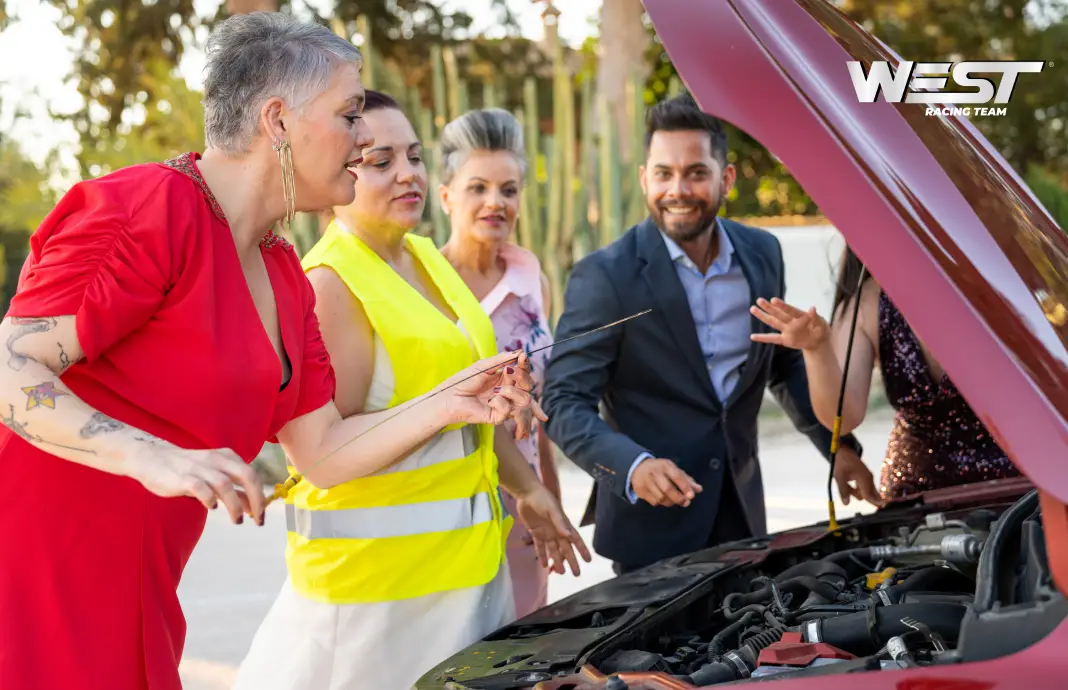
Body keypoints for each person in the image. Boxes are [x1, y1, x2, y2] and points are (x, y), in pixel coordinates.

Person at [0, 15, 542, 690]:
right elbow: (10, 367)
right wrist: (145, 453)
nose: (363, 138)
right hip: (35, 570)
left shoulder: (285, 272)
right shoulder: (147, 208)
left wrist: (447, 404)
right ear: (278, 121)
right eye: (349, 116)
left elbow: (322, 450)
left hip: (144, 578)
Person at [232, 91, 590, 690]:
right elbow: (323, 453)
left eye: (416, 157)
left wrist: (528, 490)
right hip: (376, 603)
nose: (408, 175)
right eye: (381, 161)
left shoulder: (427, 257)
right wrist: (443, 405)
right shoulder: (330, 286)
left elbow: (467, 416)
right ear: (339, 165)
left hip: (470, 581)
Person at [540, 93, 882, 576]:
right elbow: (563, 401)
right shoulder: (606, 277)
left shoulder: (763, 253)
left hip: (744, 520)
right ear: (644, 178)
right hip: (650, 535)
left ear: (726, 178)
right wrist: (634, 466)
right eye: (663, 173)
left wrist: (840, 450)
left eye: (696, 172)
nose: (677, 189)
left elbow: (781, 365)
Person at [750, 246, 1022, 499]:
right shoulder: (867, 301)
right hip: (918, 491)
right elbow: (843, 419)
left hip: (1020, 482)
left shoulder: (1003, 282)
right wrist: (816, 350)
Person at [437, 107, 562, 618]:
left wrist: (550, 497)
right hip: (455, 504)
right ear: (445, 195)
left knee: (529, 644)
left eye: (509, 190)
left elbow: (540, 414)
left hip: (528, 505)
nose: (496, 202)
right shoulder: (425, 288)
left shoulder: (535, 284)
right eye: (478, 187)